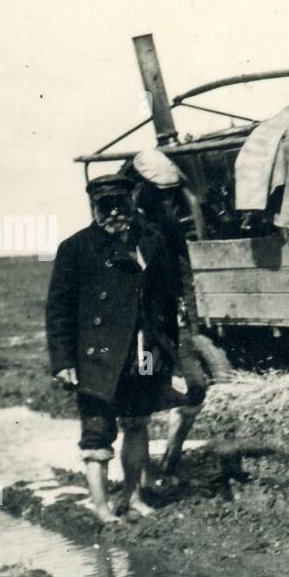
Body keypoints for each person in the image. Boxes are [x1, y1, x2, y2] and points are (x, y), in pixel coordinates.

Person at [45, 173, 184, 522]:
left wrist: (169, 353)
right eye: (103, 208)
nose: (112, 214)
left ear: (131, 203)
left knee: (138, 423)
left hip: (144, 353)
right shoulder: (75, 249)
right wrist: (63, 361)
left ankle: (133, 497)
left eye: (119, 206)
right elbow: (58, 310)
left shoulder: (151, 241)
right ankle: (103, 510)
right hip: (98, 359)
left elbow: (167, 299)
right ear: (93, 208)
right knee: (97, 434)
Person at [130, 147, 209, 486]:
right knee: (141, 401)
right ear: (142, 189)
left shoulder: (169, 226)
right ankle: (145, 478)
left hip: (172, 323)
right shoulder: (125, 230)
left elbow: (185, 272)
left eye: (169, 196)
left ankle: (170, 459)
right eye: (160, 195)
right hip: (141, 329)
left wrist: (192, 321)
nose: (167, 202)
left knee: (197, 387)